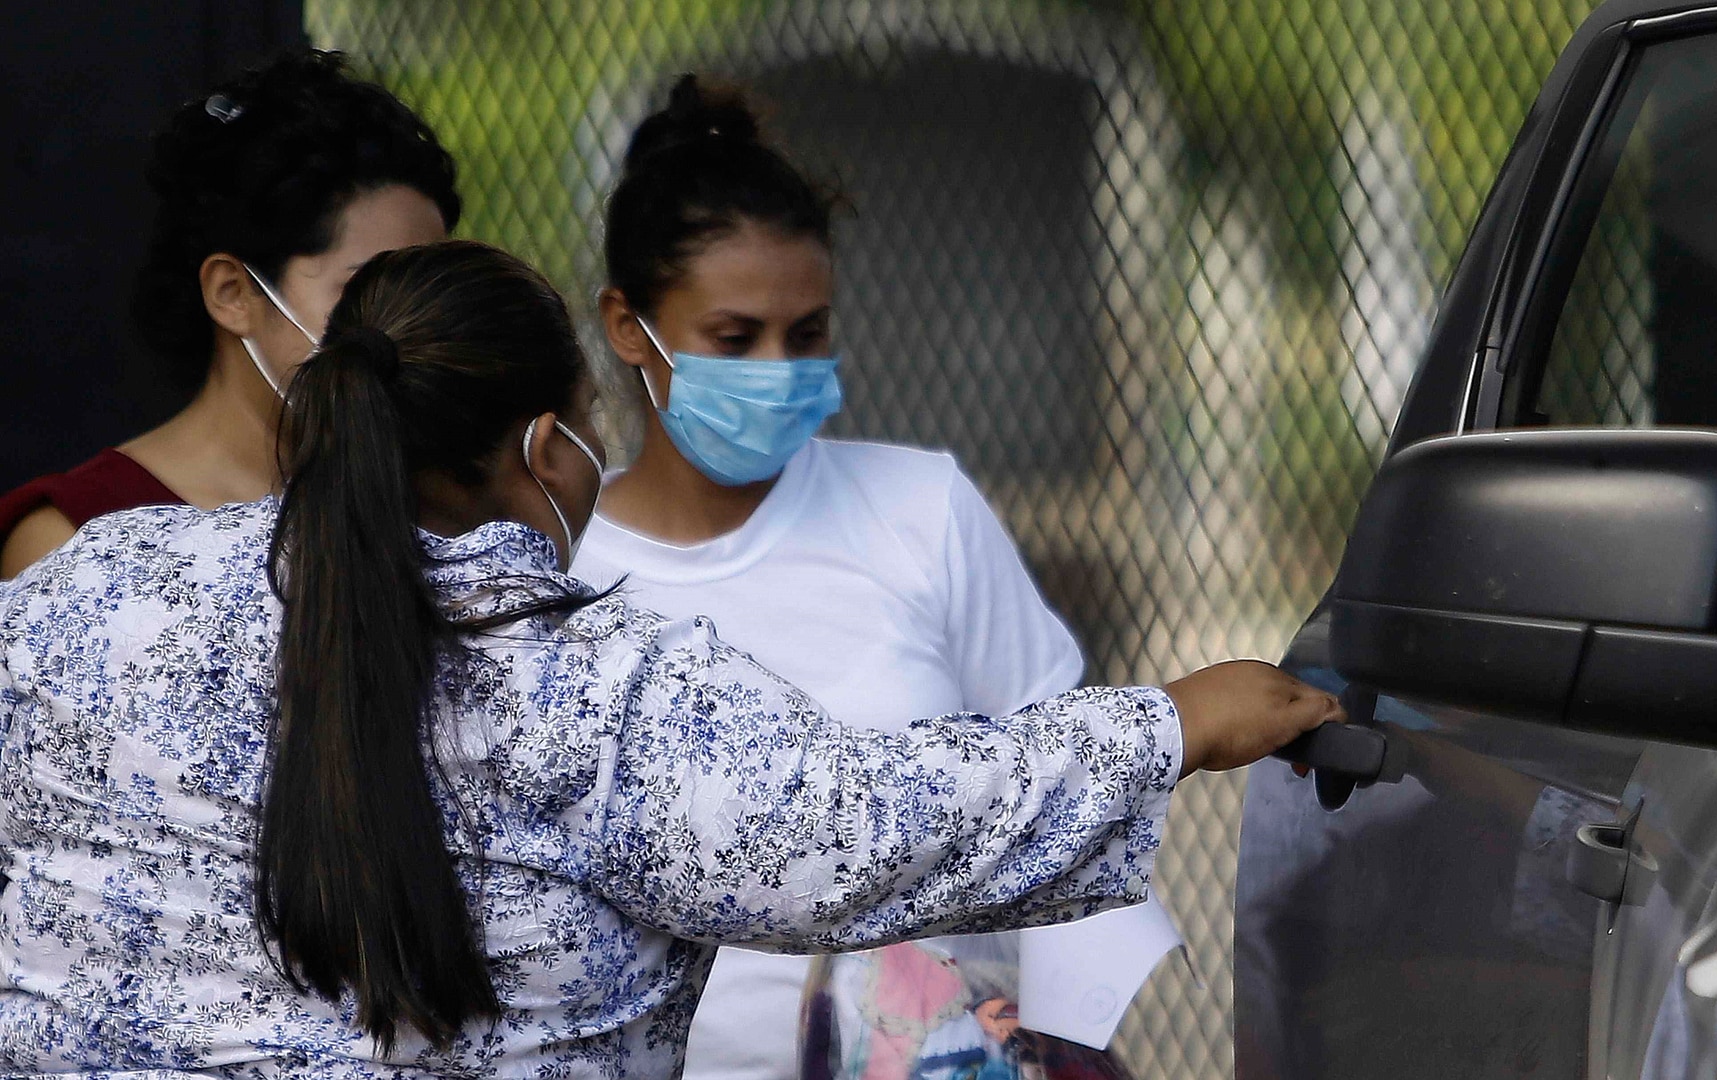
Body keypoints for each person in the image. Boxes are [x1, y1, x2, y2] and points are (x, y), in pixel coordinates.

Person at [0, 239, 1340, 1076]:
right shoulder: (596, 684)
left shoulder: (96, 581)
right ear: (544, 449)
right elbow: (849, 832)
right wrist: (1168, 724)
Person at [575, 76, 1168, 1080]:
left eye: (806, 334)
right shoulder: (562, 569)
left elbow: (1074, 784)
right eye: (735, 339)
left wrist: (1064, 1042)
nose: (778, 367)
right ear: (630, 327)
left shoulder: (918, 512)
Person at [0, 48, 456, 578]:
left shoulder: (445, 507)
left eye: (433, 291)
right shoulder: (74, 538)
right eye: (369, 288)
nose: (418, 324)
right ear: (232, 292)